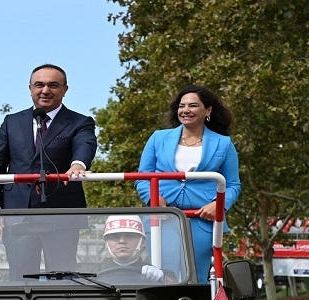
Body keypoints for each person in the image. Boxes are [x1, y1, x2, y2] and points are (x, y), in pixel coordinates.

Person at [0, 64, 97, 280]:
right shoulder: (12, 122)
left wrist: (78, 164)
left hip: (61, 213)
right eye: (39, 85)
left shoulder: (80, 122)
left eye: (53, 85)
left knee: (63, 279)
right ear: (30, 88)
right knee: (21, 278)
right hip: (18, 214)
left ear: (65, 89)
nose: (45, 90)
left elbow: (85, 144)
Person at [134, 85, 241, 283]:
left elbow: (233, 184)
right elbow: (142, 177)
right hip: (163, 218)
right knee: (164, 274)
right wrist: (153, 197)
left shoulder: (223, 143)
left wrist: (220, 205)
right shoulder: (158, 138)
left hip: (202, 219)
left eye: (193, 105)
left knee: (196, 275)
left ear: (207, 110)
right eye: (182, 106)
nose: (186, 110)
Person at [95, 215, 172, 282]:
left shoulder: (157, 274)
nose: (122, 241)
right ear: (106, 244)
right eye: (115, 237)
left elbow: (173, 283)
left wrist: (162, 278)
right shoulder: (91, 273)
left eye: (129, 236)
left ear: (142, 242)